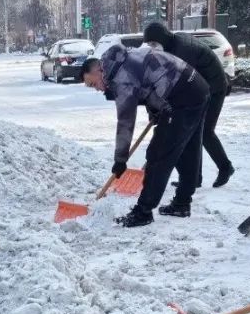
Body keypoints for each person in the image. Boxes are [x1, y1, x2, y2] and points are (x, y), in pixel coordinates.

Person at [80, 44, 210, 228]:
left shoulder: (120, 77)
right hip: (197, 86)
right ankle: (182, 204)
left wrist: (120, 159)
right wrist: (157, 109)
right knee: (187, 148)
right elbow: (148, 82)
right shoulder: (122, 59)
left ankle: (143, 212)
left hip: (182, 96)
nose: (97, 89)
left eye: (93, 83)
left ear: (99, 70)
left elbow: (126, 122)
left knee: (158, 155)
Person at [143, 22, 235, 188]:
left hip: (214, 88)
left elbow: (180, 84)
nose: (152, 47)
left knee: (204, 132)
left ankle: (225, 167)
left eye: (154, 43)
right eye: (149, 44)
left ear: (162, 39)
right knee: (193, 133)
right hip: (202, 88)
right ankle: (193, 179)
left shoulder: (182, 51)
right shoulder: (171, 45)